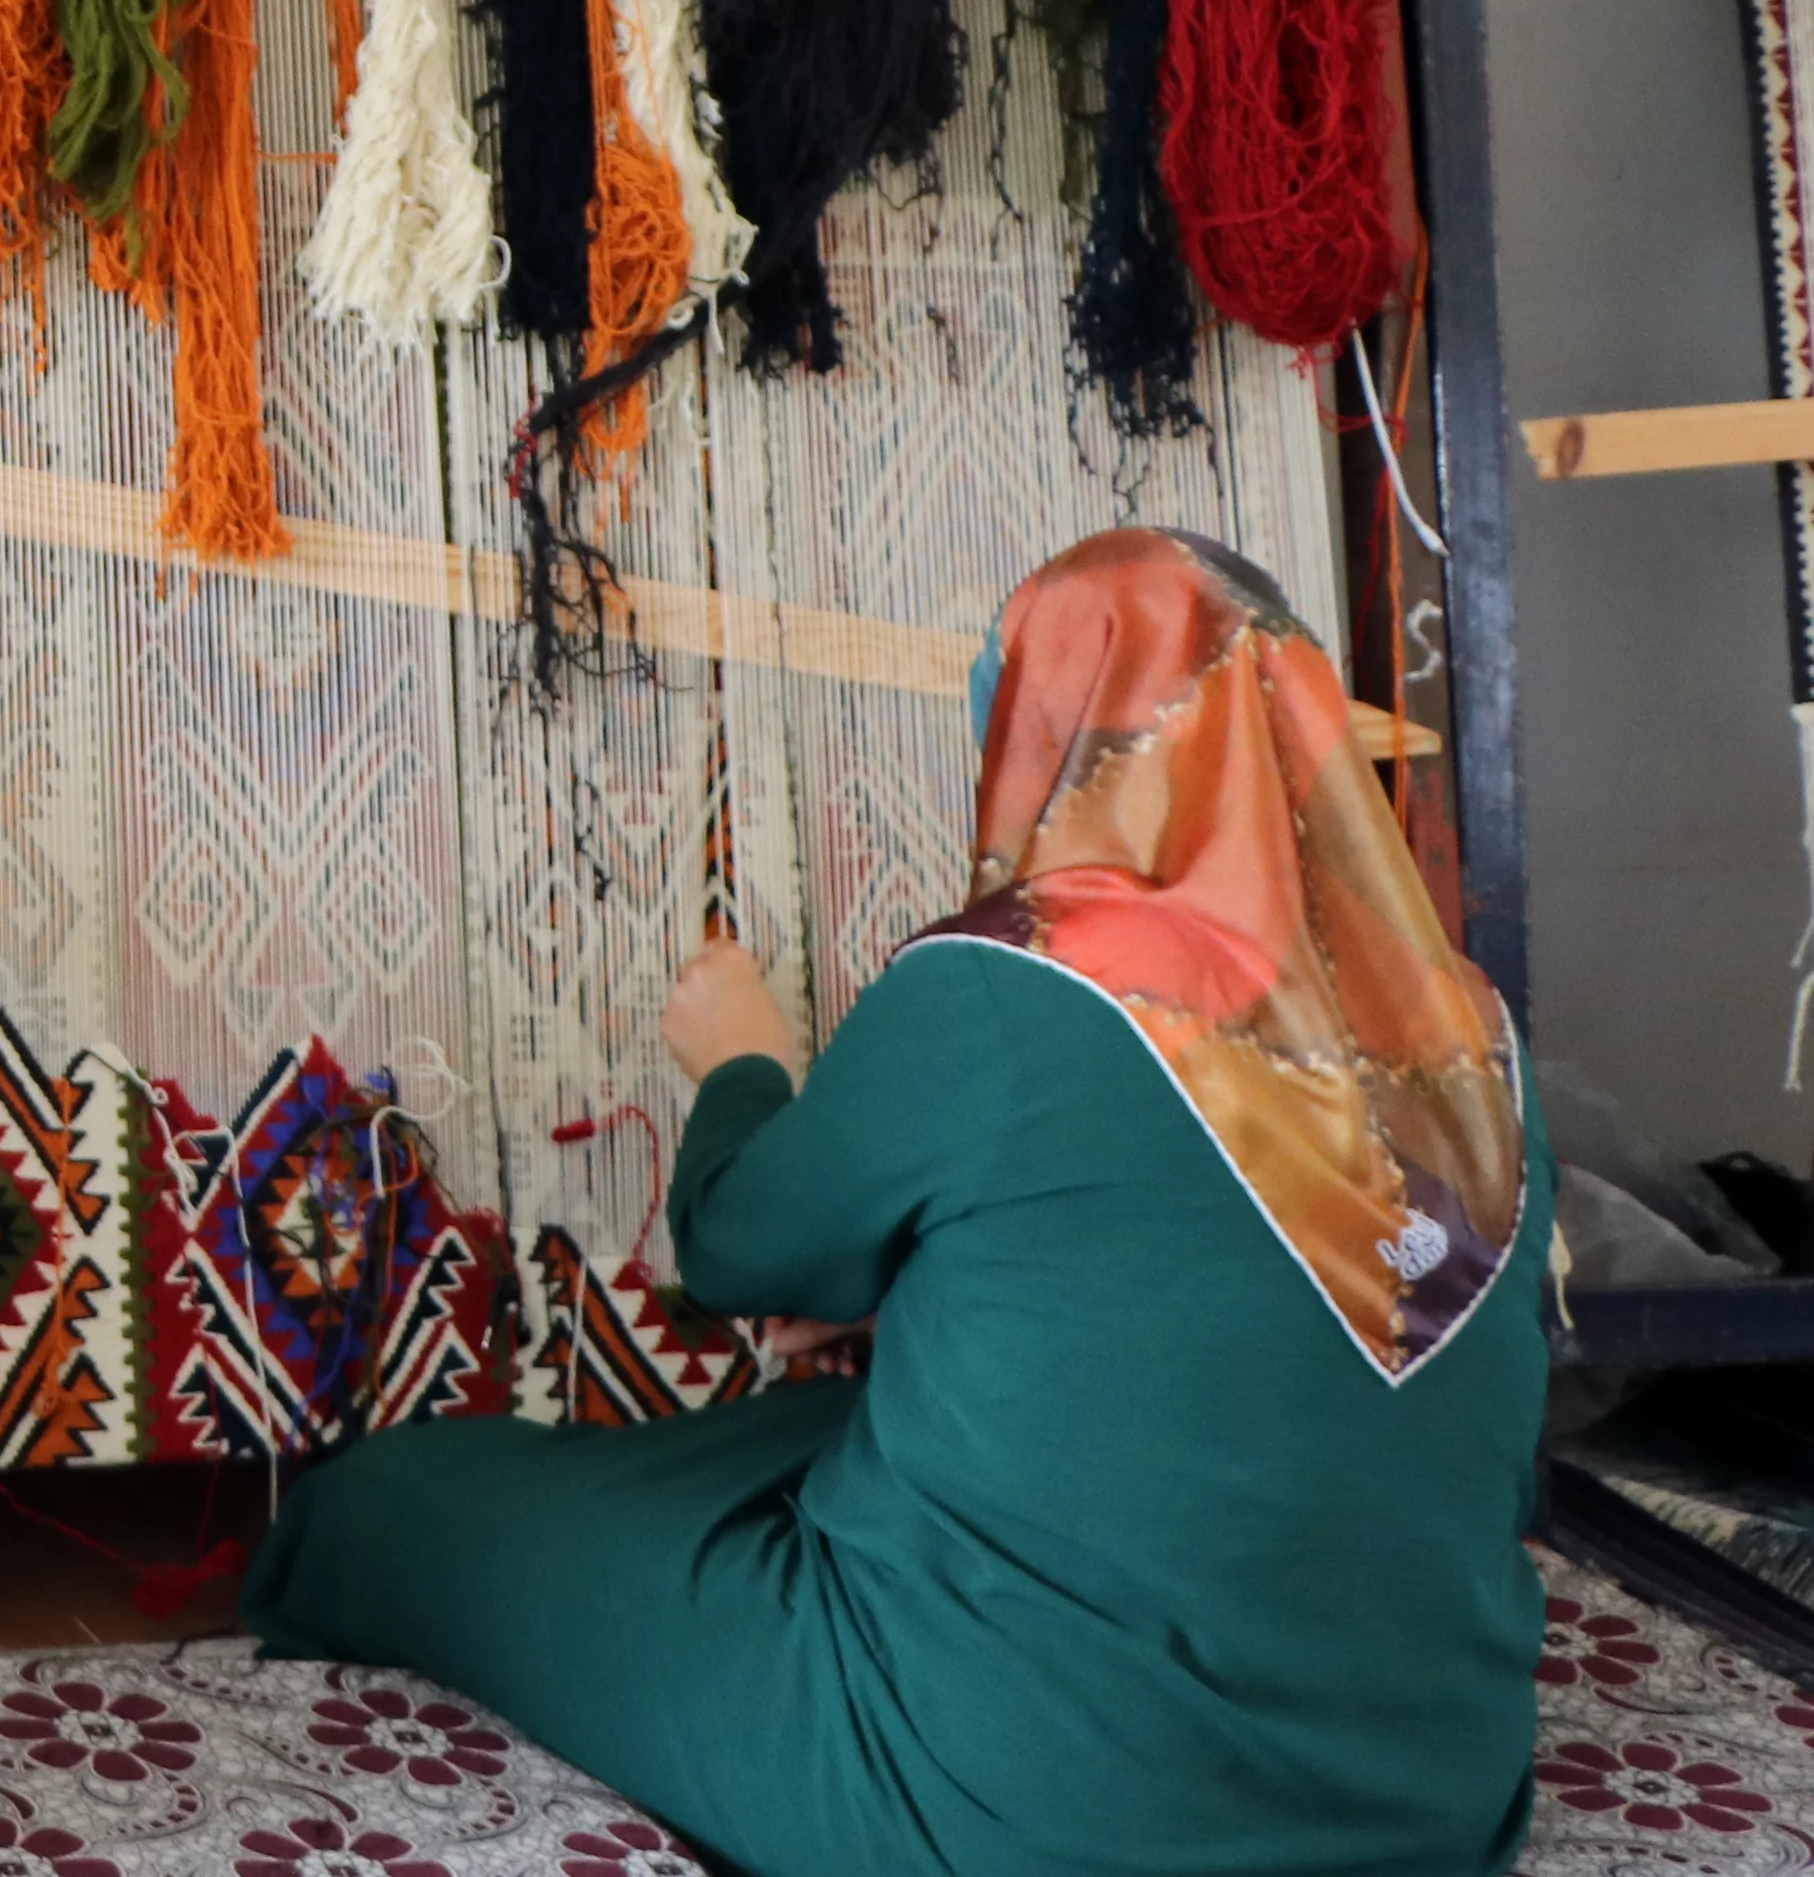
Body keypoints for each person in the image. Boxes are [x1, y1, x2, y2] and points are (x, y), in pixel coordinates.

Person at [245, 527, 1544, 1877]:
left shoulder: (1014, 984)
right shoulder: (1469, 1036)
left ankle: (332, 1538)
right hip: (1433, 1805)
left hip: (1011, 1812)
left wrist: (741, 1063)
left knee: (418, 1510)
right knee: (847, 1423)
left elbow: (743, 1249)